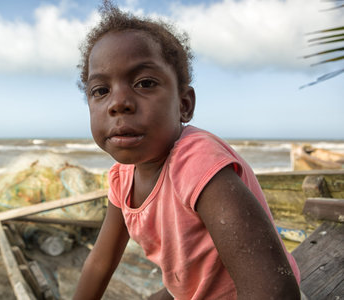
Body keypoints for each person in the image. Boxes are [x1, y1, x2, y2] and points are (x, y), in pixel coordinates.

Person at [73, 1, 301, 299]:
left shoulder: (197, 163)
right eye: (100, 91)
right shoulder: (121, 179)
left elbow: (274, 292)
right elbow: (100, 264)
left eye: (144, 83)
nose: (118, 103)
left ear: (184, 104)